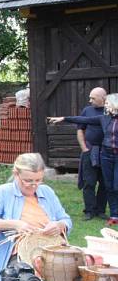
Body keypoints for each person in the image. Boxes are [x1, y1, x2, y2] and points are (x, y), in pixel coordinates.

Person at [0, 153, 72, 281]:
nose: (34, 185)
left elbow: (66, 220)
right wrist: (15, 224)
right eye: (28, 180)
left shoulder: (47, 192)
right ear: (16, 174)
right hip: (19, 258)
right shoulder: (3, 193)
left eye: (38, 180)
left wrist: (59, 226)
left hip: (50, 252)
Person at [49, 92, 118, 225]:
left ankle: (108, 211)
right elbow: (83, 120)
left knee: (114, 185)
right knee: (102, 184)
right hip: (104, 154)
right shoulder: (104, 118)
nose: (106, 106)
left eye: (108, 104)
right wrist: (64, 118)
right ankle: (109, 214)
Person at [76, 87, 108, 220]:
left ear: (103, 98)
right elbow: (79, 130)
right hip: (89, 150)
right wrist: (84, 148)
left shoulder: (111, 111)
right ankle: (89, 211)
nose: (90, 101)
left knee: (105, 182)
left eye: (93, 98)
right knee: (89, 182)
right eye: (90, 97)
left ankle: (100, 210)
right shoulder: (87, 111)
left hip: (107, 152)